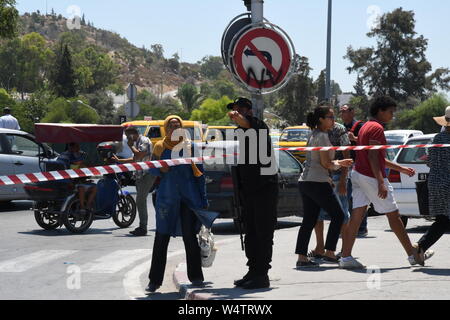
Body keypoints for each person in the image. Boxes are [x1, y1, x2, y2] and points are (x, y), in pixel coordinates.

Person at [339, 96, 431, 269]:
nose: (392, 115)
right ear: (381, 111)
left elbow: (375, 156)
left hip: (358, 174)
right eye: (391, 112)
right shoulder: (376, 128)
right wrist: (381, 181)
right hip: (370, 177)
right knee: (394, 216)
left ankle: (345, 257)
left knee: (356, 217)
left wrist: (401, 169)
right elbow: (374, 156)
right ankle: (413, 255)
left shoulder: (366, 126)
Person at [146, 115, 217, 293]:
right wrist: (160, 168)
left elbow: (200, 173)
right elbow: (151, 168)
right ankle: (154, 281)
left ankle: (196, 277)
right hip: (167, 199)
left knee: (190, 237)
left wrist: (203, 199)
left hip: (189, 198)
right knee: (161, 237)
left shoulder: (191, 147)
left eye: (177, 126)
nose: (174, 129)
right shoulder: (160, 146)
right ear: (165, 128)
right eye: (171, 126)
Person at [227, 97, 279, 289]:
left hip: (264, 188)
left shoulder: (258, 125)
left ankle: (262, 274)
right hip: (248, 190)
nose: (235, 113)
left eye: (239, 109)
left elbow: (245, 122)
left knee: (263, 232)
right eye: (234, 109)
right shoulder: (239, 132)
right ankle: (253, 270)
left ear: (248, 111)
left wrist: (238, 116)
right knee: (250, 232)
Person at [295, 105, 354, 268]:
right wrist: (340, 163)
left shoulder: (314, 134)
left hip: (306, 182)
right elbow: (325, 163)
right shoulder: (321, 136)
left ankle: (302, 257)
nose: (334, 120)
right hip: (317, 182)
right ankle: (329, 252)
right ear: (321, 119)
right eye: (330, 117)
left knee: (309, 220)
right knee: (338, 215)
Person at [308, 120, 352, 261]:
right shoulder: (315, 131)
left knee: (343, 214)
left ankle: (345, 251)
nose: (331, 120)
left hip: (338, 176)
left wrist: (344, 180)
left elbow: (347, 155)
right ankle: (320, 248)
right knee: (318, 215)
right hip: (321, 177)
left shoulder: (339, 129)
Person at [415, 107, 450, 260]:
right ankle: (419, 247)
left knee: (442, 220)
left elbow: (429, 161)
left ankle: (420, 247)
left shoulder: (437, 138)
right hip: (448, 184)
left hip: (435, 184)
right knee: (443, 220)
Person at [113, 126, 155, 236]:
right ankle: (142, 226)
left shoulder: (144, 141)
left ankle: (143, 227)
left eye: (128, 136)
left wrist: (131, 146)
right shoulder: (137, 143)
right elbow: (134, 159)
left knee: (140, 200)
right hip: (139, 175)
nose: (127, 138)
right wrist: (119, 161)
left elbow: (139, 154)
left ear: (132, 135)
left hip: (147, 174)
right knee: (142, 201)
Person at [340, 104, 368, 237]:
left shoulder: (360, 126)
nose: (342, 114)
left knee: (357, 198)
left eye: (345, 111)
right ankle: (349, 226)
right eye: (341, 112)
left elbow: (367, 144)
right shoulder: (341, 128)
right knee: (347, 197)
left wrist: (355, 139)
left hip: (358, 166)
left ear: (352, 112)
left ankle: (361, 227)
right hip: (346, 166)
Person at [58, 142, 97, 214]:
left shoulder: (62, 155)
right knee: (93, 188)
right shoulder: (72, 157)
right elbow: (78, 166)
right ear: (71, 147)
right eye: (77, 146)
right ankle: (84, 207)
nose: (79, 148)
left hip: (66, 180)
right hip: (71, 182)